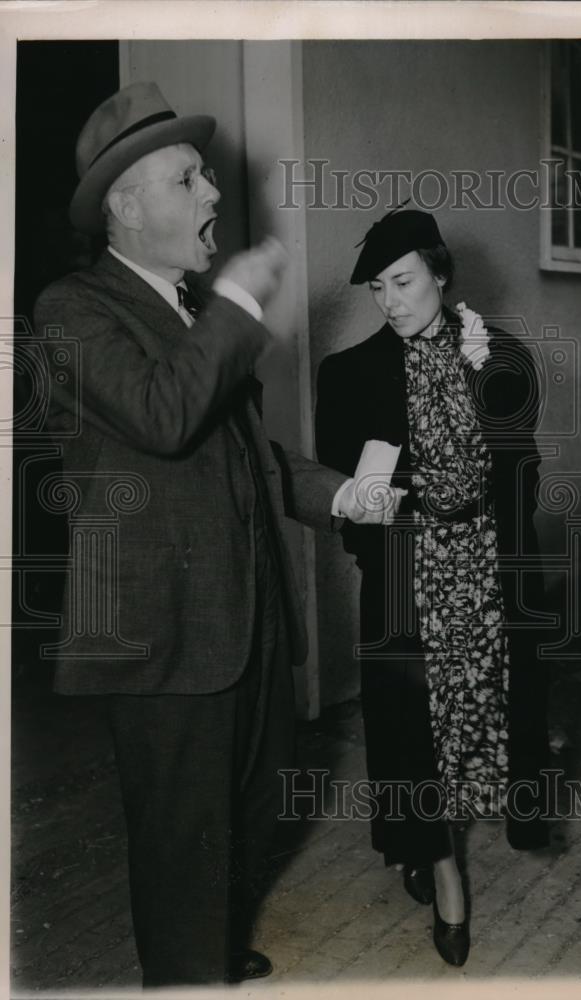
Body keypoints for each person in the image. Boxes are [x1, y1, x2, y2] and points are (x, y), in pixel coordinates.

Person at [32, 81, 401, 989]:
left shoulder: (192, 315)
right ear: (123, 206)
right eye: (188, 180)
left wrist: (341, 496)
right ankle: (187, 971)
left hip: (242, 621)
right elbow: (164, 417)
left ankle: (212, 945)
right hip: (161, 636)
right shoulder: (70, 310)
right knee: (181, 836)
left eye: (205, 177)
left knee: (237, 816)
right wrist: (237, 304)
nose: (212, 197)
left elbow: (246, 458)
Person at [315, 208, 550, 967]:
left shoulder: (500, 356)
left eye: (404, 281)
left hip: (486, 576)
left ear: (440, 275)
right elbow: (338, 491)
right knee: (411, 733)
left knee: (480, 718)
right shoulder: (347, 373)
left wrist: (485, 381)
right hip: (406, 581)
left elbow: (522, 470)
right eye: (378, 287)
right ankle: (442, 871)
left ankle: (450, 836)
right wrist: (378, 512)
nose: (389, 300)